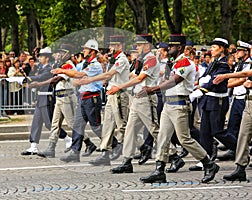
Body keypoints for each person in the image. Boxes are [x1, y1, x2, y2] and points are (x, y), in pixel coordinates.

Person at [139, 34, 220, 184]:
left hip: (179, 105)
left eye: (172, 46)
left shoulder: (185, 63)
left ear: (180, 48)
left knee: (184, 139)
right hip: (168, 104)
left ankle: (209, 164)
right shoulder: (173, 63)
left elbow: (173, 82)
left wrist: (152, 88)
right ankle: (159, 170)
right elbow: (165, 79)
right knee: (163, 137)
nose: (169, 48)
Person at [107, 34, 160, 173]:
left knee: (154, 129)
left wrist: (119, 87)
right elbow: (134, 76)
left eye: (139, 45)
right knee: (130, 129)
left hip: (146, 98)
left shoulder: (151, 59)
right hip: (137, 98)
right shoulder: (141, 60)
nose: (136, 47)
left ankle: (172, 155)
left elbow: (140, 78)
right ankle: (127, 161)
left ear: (147, 46)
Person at [78, 35, 130, 165]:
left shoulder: (122, 59)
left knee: (122, 126)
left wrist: (90, 79)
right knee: (107, 126)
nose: (110, 48)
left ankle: (133, 150)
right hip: (111, 95)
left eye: (113, 46)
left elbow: (108, 75)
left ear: (120, 46)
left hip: (119, 95)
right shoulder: (113, 60)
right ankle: (105, 154)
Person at [53, 39, 103, 162]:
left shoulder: (95, 65)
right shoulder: (84, 63)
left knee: (96, 127)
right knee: (77, 126)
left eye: (86, 49)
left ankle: (114, 144)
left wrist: (63, 71)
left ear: (92, 51)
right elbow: (75, 74)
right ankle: (75, 152)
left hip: (92, 98)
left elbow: (78, 75)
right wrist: (70, 73)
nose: (83, 50)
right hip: (83, 98)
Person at [213, 42, 251, 181]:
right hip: (246, 100)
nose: (235, 53)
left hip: (245, 100)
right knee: (243, 134)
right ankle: (240, 168)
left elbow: (246, 74)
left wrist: (225, 77)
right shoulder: (240, 64)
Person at [35, 44, 77, 158]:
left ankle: (87, 142)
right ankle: (51, 148)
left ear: (67, 54)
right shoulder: (60, 65)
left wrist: (40, 83)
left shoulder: (68, 65)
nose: (59, 55)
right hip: (59, 96)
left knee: (71, 123)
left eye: (62, 53)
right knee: (55, 124)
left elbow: (57, 79)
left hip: (66, 96)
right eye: (59, 52)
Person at [21, 47, 56, 155]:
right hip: (41, 97)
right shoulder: (41, 67)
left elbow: (42, 77)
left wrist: (30, 79)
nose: (39, 58)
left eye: (41, 56)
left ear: (46, 58)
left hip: (47, 97)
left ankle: (69, 140)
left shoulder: (49, 68)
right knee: (36, 122)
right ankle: (33, 145)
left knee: (49, 123)